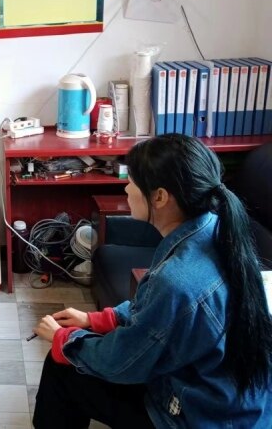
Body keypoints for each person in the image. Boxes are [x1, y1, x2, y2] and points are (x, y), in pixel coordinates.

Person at [32, 134, 272, 428]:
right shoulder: (216, 228)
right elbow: (159, 316)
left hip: (199, 417)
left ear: (159, 197)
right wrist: (101, 320)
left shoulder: (177, 281)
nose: (126, 187)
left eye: (132, 181)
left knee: (63, 364)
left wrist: (64, 339)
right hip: (233, 404)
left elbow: (123, 361)